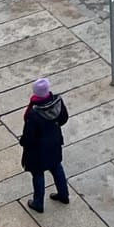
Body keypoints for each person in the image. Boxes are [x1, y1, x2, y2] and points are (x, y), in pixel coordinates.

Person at [19, 77, 71, 212]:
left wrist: (22, 142)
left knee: (38, 174)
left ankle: (38, 203)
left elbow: (28, 137)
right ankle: (64, 195)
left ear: (35, 93)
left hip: (38, 150)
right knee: (57, 168)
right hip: (54, 142)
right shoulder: (58, 101)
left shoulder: (34, 114)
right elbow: (64, 118)